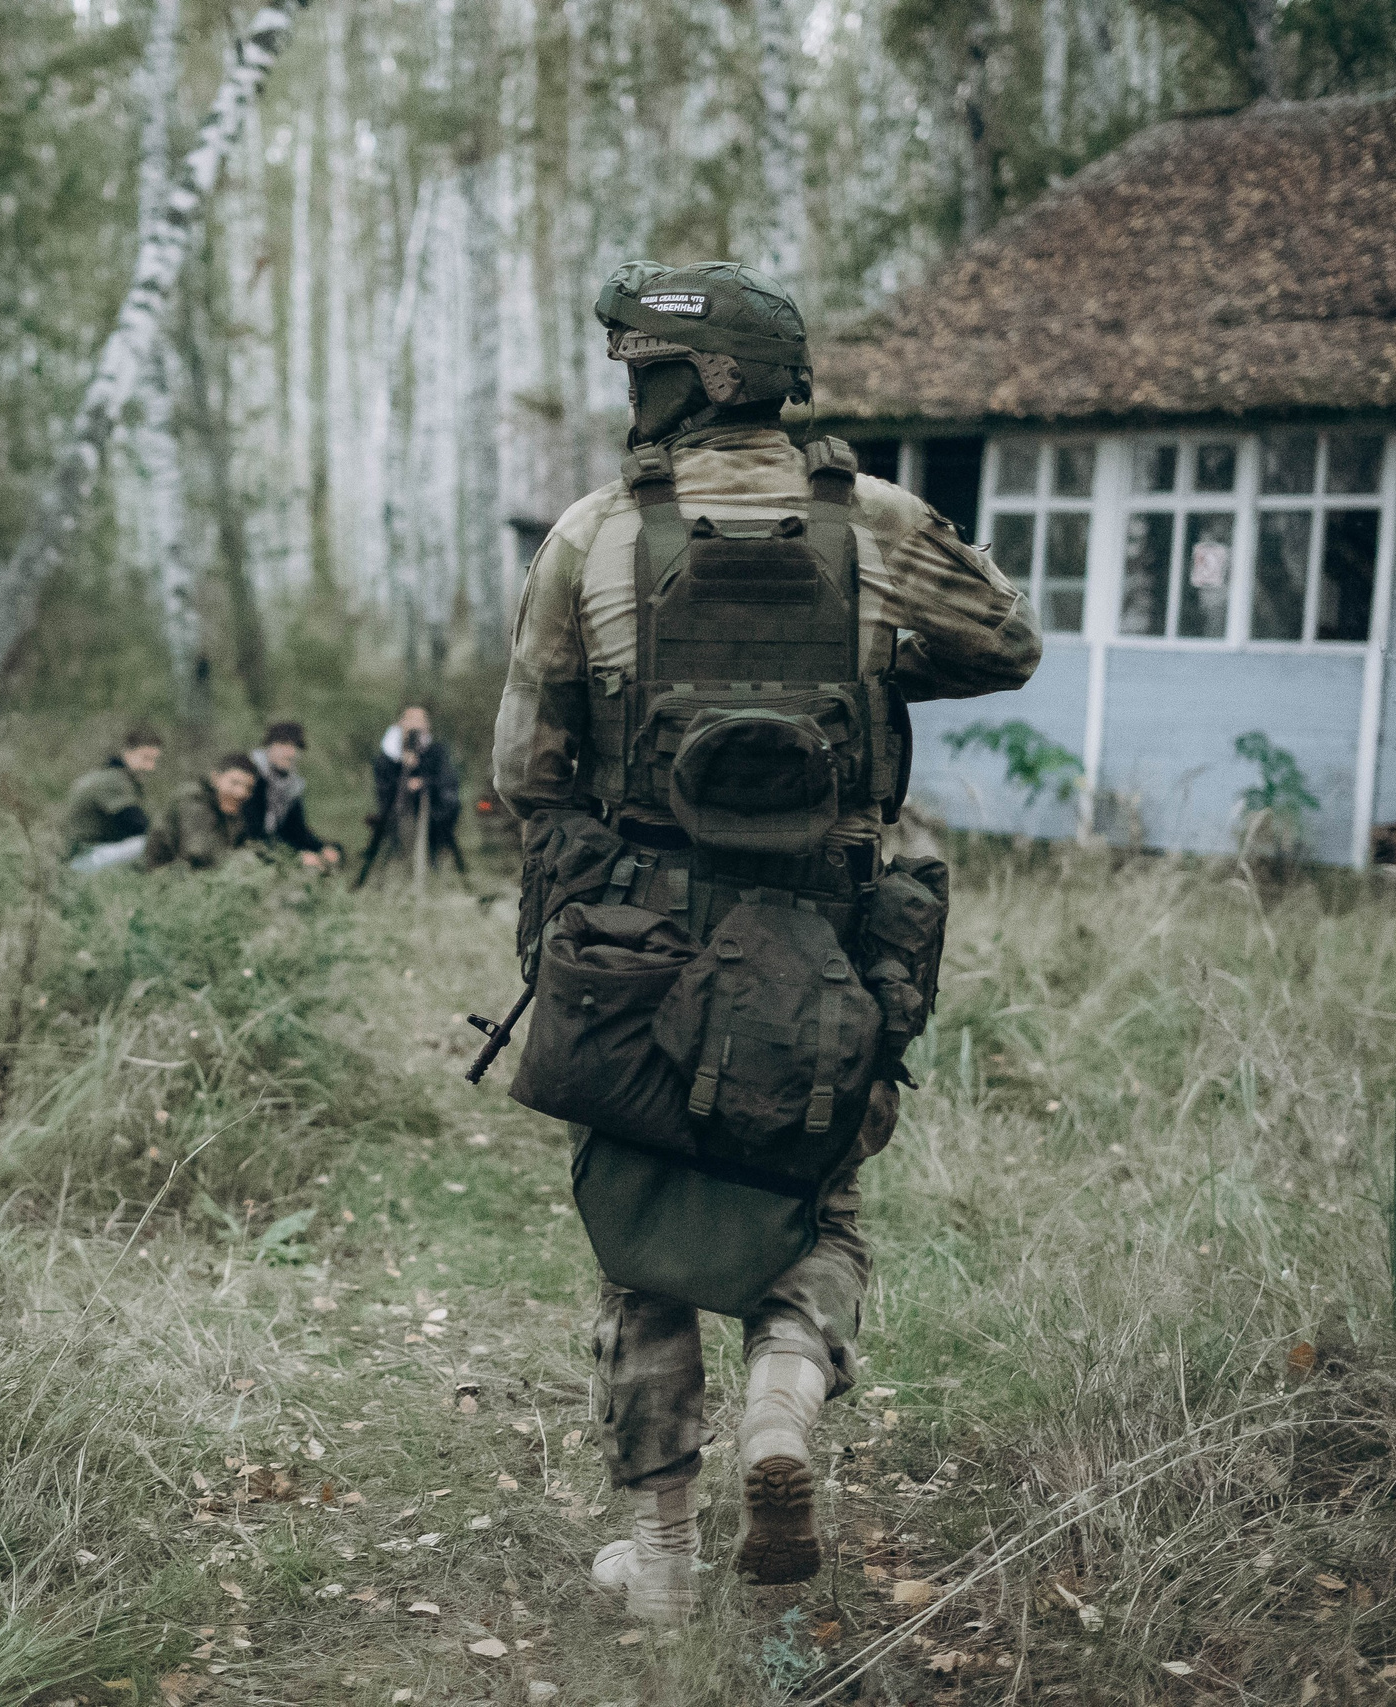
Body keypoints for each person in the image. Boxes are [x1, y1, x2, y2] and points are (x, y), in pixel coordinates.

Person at [493, 260, 1041, 1622]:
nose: (633, 388)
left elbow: (526, 763)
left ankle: (667, 1559)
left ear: (691, 379)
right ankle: (782, 1410)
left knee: (643, 1222)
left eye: (642, 368)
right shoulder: (878, 519)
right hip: (831, 928)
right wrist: (875, 668)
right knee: (818, 1195)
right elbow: (1008, 646)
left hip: (638, 935)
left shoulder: (593, 532)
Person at [359, 706, 466, 883]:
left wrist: (423, 781)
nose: (416, 725)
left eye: (420, 720)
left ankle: (438, 864)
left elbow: (447, 779)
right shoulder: (388, 753)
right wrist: (402, 769)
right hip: (395, 809)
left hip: (432, 812)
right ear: (401, 723)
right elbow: (383, 783)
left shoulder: (436, 751)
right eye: (411, 720)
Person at [63, 725, 162, 874]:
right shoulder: (114, 781)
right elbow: (137, 823)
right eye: (145, 758)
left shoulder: (109, 775)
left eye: (154, 760)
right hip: (83, 859)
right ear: (127, 753)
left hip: (84, 853)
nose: (150, 767)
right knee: (148, 844)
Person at [244, 721, 341, 869]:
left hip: (268, 850)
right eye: (283, 745)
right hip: (244, 849)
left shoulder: (291, 786)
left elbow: (295, 831)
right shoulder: (251, 777)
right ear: (269, 746)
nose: (290, 753)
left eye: (294, 746)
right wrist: (295, 858)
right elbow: (252, 832)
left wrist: (323, 848)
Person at [146, 752, 259, 870]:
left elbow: (241, 844)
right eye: (234, 783)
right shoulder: (194, 800)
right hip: (163, 874)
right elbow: (198, 852)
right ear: (215, 778)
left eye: (248, 788)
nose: (241, 793)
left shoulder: (229, 806)